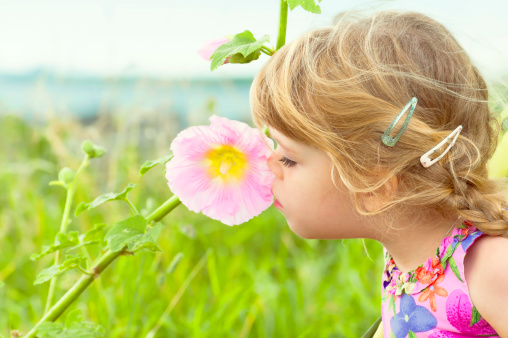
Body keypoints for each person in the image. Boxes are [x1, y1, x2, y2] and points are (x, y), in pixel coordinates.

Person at [249, 10, 508, 337]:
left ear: (376, 184)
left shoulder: (491, 269)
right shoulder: (408, 254)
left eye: (288, 159)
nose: (268, 163)